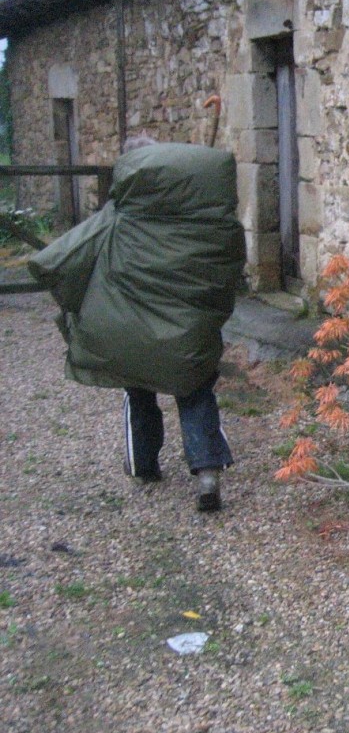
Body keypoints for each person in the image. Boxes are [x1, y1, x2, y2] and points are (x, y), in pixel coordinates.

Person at [28, 137, 246, 512]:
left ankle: (144, 465)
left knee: (139, 390)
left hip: (131, 331)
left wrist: (73, 302)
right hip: (189, 334)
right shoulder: (216, 227)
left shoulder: (118, 218)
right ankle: (207, 473)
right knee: (195, 391)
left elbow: (60, 258)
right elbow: (230, 276)